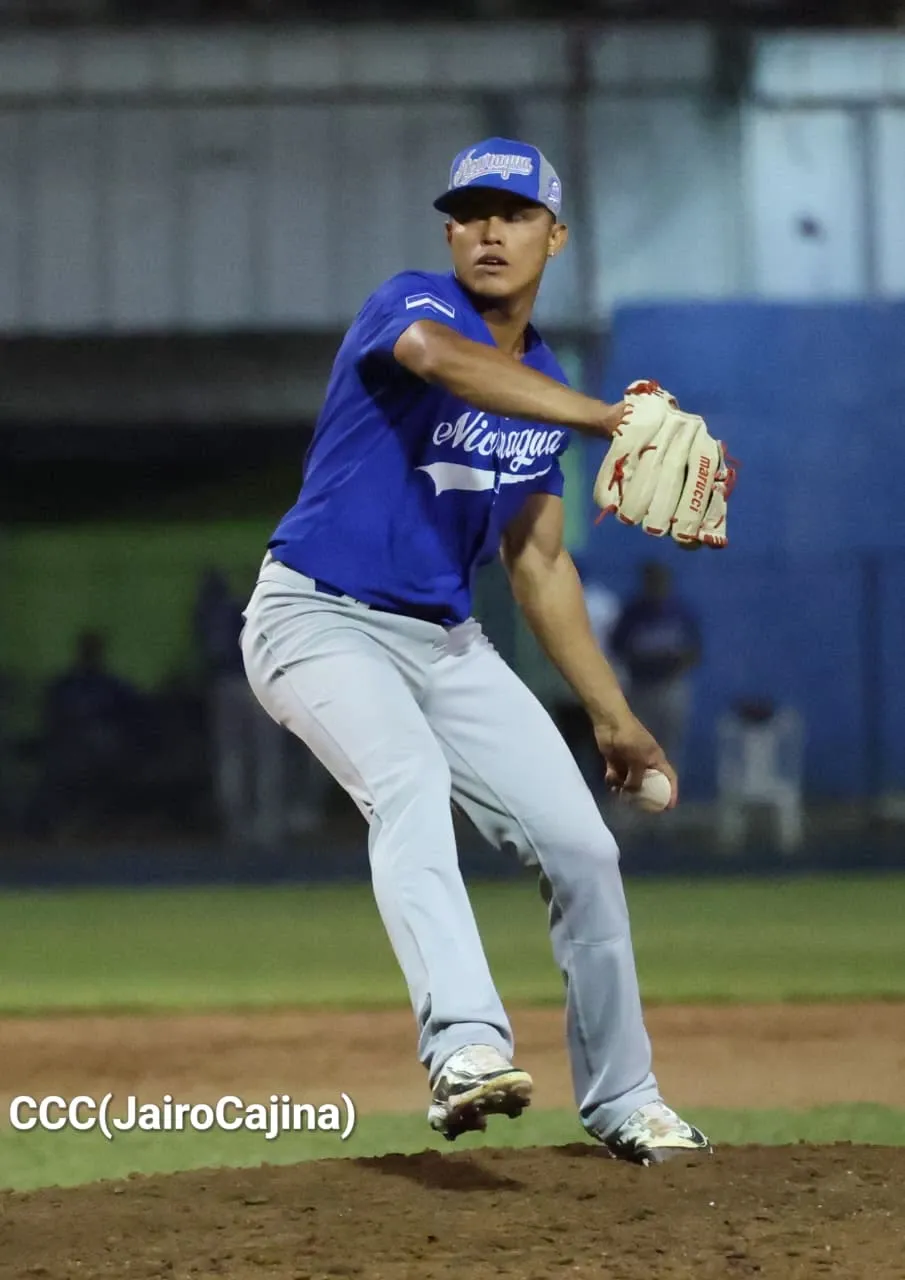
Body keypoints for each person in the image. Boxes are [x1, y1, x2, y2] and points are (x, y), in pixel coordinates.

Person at [240, 137, 710, 1165]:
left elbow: (538, 562)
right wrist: (604, 417)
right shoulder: (412, 306)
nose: (489, 229)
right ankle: (463, 1044)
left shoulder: (540, 377)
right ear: (448, 232)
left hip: (445, 641)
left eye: (513, 211)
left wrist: (611, 712)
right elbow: (437, 364)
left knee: (583, 846)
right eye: (469, 211)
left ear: (555, 234)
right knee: (404, 777)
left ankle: (624, 1096)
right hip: (314, 618)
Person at [610, 561, 702, 778]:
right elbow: (617, 647)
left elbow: (695, 651)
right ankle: (635, 800)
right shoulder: (632, 613)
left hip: (671, 687)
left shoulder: (680, 613)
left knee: (669, 748)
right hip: (640, 688)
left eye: (660, 580)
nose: (657, 585)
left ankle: (666, 802)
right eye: (652, 580)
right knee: (636, 746)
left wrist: (674, 662)